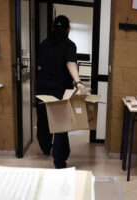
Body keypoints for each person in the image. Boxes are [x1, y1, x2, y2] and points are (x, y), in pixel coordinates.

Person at [35, 15, 85, 169]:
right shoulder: (69, 44)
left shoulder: (44, 44)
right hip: (60, 90)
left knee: (43, 120)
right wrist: (78, 82)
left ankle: (45, 147)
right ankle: (59, 161)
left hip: (42, 88)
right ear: (68, 29)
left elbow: (39, 67)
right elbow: (70, 63)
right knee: (61, 126)